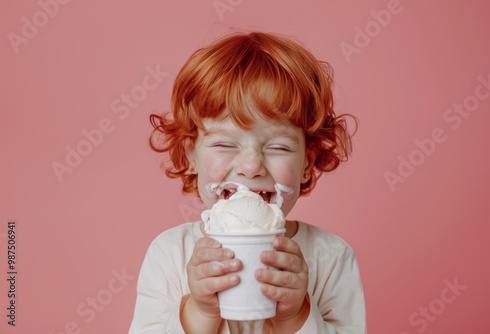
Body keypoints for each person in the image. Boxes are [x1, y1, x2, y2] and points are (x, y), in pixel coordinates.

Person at [129, 31, 366, 333]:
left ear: (306, 162)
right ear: (192, 155)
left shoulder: (331, 257)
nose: (251, 167)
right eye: (225, 144)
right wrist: (199, 312)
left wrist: (295, 317)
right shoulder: (169, 254)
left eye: (278, 147)